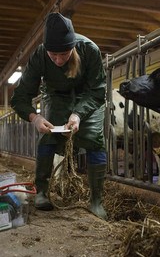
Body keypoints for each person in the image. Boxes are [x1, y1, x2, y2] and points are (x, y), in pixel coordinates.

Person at [10, 12, 108, 220]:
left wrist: (79, 114)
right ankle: (42, 192)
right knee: (48, 135)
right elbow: (20, 97)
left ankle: (96, 201)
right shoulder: (39, 56)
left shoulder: (89, 50)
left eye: (63, 54)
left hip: (87, 97)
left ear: (73, 47)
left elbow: (98, 91)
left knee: (94, 138)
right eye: (52, 55)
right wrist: (34, 118)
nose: (57, 60)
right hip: (57, 96)